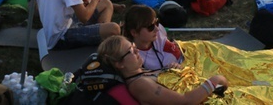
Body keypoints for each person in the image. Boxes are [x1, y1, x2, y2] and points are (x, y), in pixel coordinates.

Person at [97, 35, 228, 104]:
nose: (137, 50)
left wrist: (172, 72)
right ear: (119, 64)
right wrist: (214, 81)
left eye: (133, 45)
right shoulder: (140, 84)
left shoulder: (140, 73)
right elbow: (185, 102)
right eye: (130, 51)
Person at [123, 5, 184, 70]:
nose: (156, 29)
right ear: (134, 32)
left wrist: (173, 66)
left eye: (156, 22)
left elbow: (176, 53)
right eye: (150, 27)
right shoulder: (130, 55)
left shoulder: (158, 34)